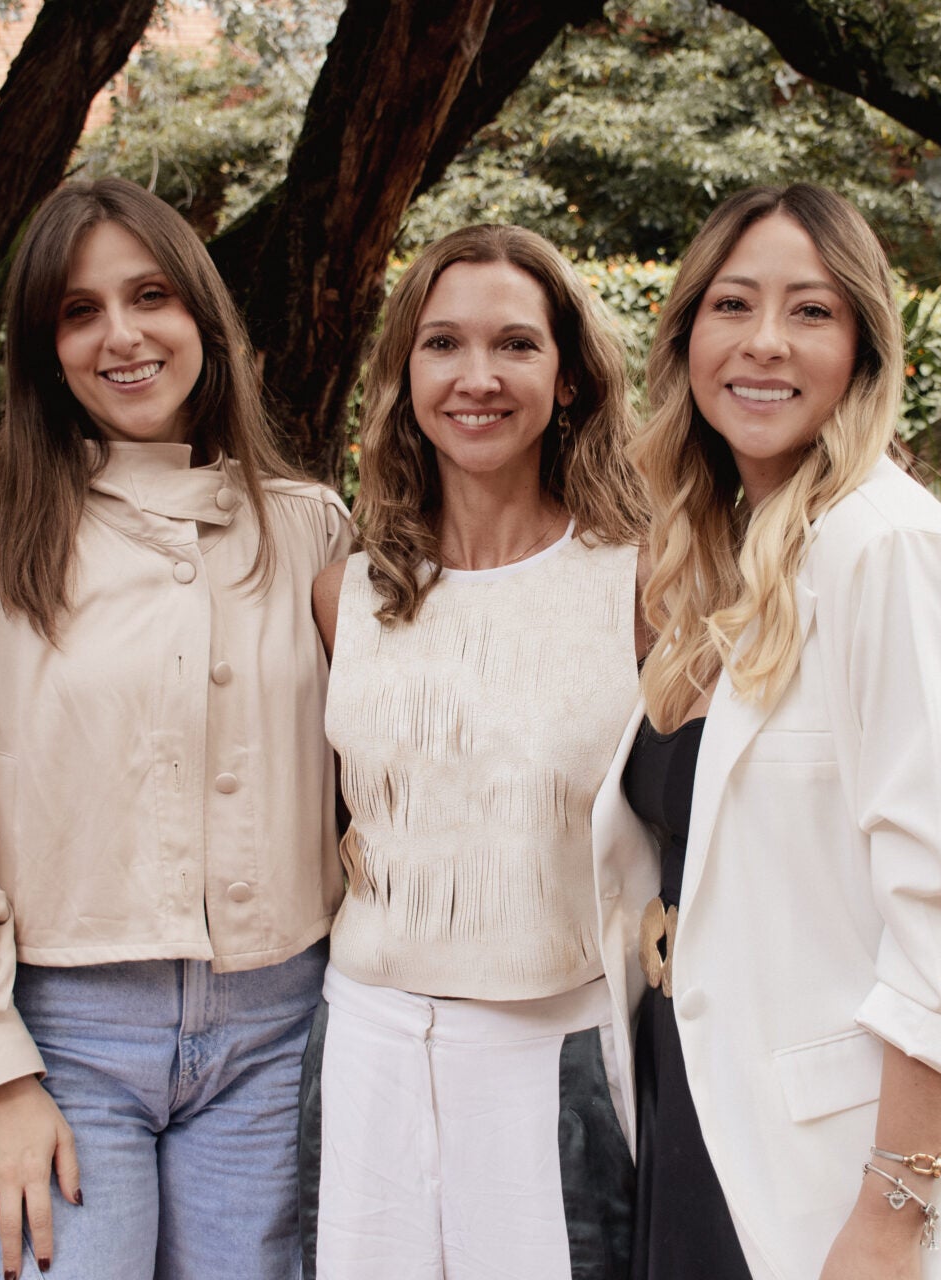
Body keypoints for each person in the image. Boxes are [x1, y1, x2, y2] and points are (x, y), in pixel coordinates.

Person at [591, 183, 941, 1279]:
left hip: (846, 1175)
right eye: (733, 305)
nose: (764, 344)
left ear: (865, 353)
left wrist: (891, 1212)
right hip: (714, 1122)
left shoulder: (888, 553)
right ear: (688, 333)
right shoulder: (734, 556)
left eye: (812, 312)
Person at [0, 178, 352, 1280]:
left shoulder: (306, 529)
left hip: (278, 1037)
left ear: (202, 316)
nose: (122, 335)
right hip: (58, 1043)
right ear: (41, 345)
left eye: (150, 294)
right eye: (79, 310)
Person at [303, 223, 649, 1279]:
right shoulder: (346, 593)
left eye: (516, 344)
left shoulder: (640, 581)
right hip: (364, 1040)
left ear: (571, 375)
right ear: (405, 373)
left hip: (555, 1056)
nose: (478, 377)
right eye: (444, 344)